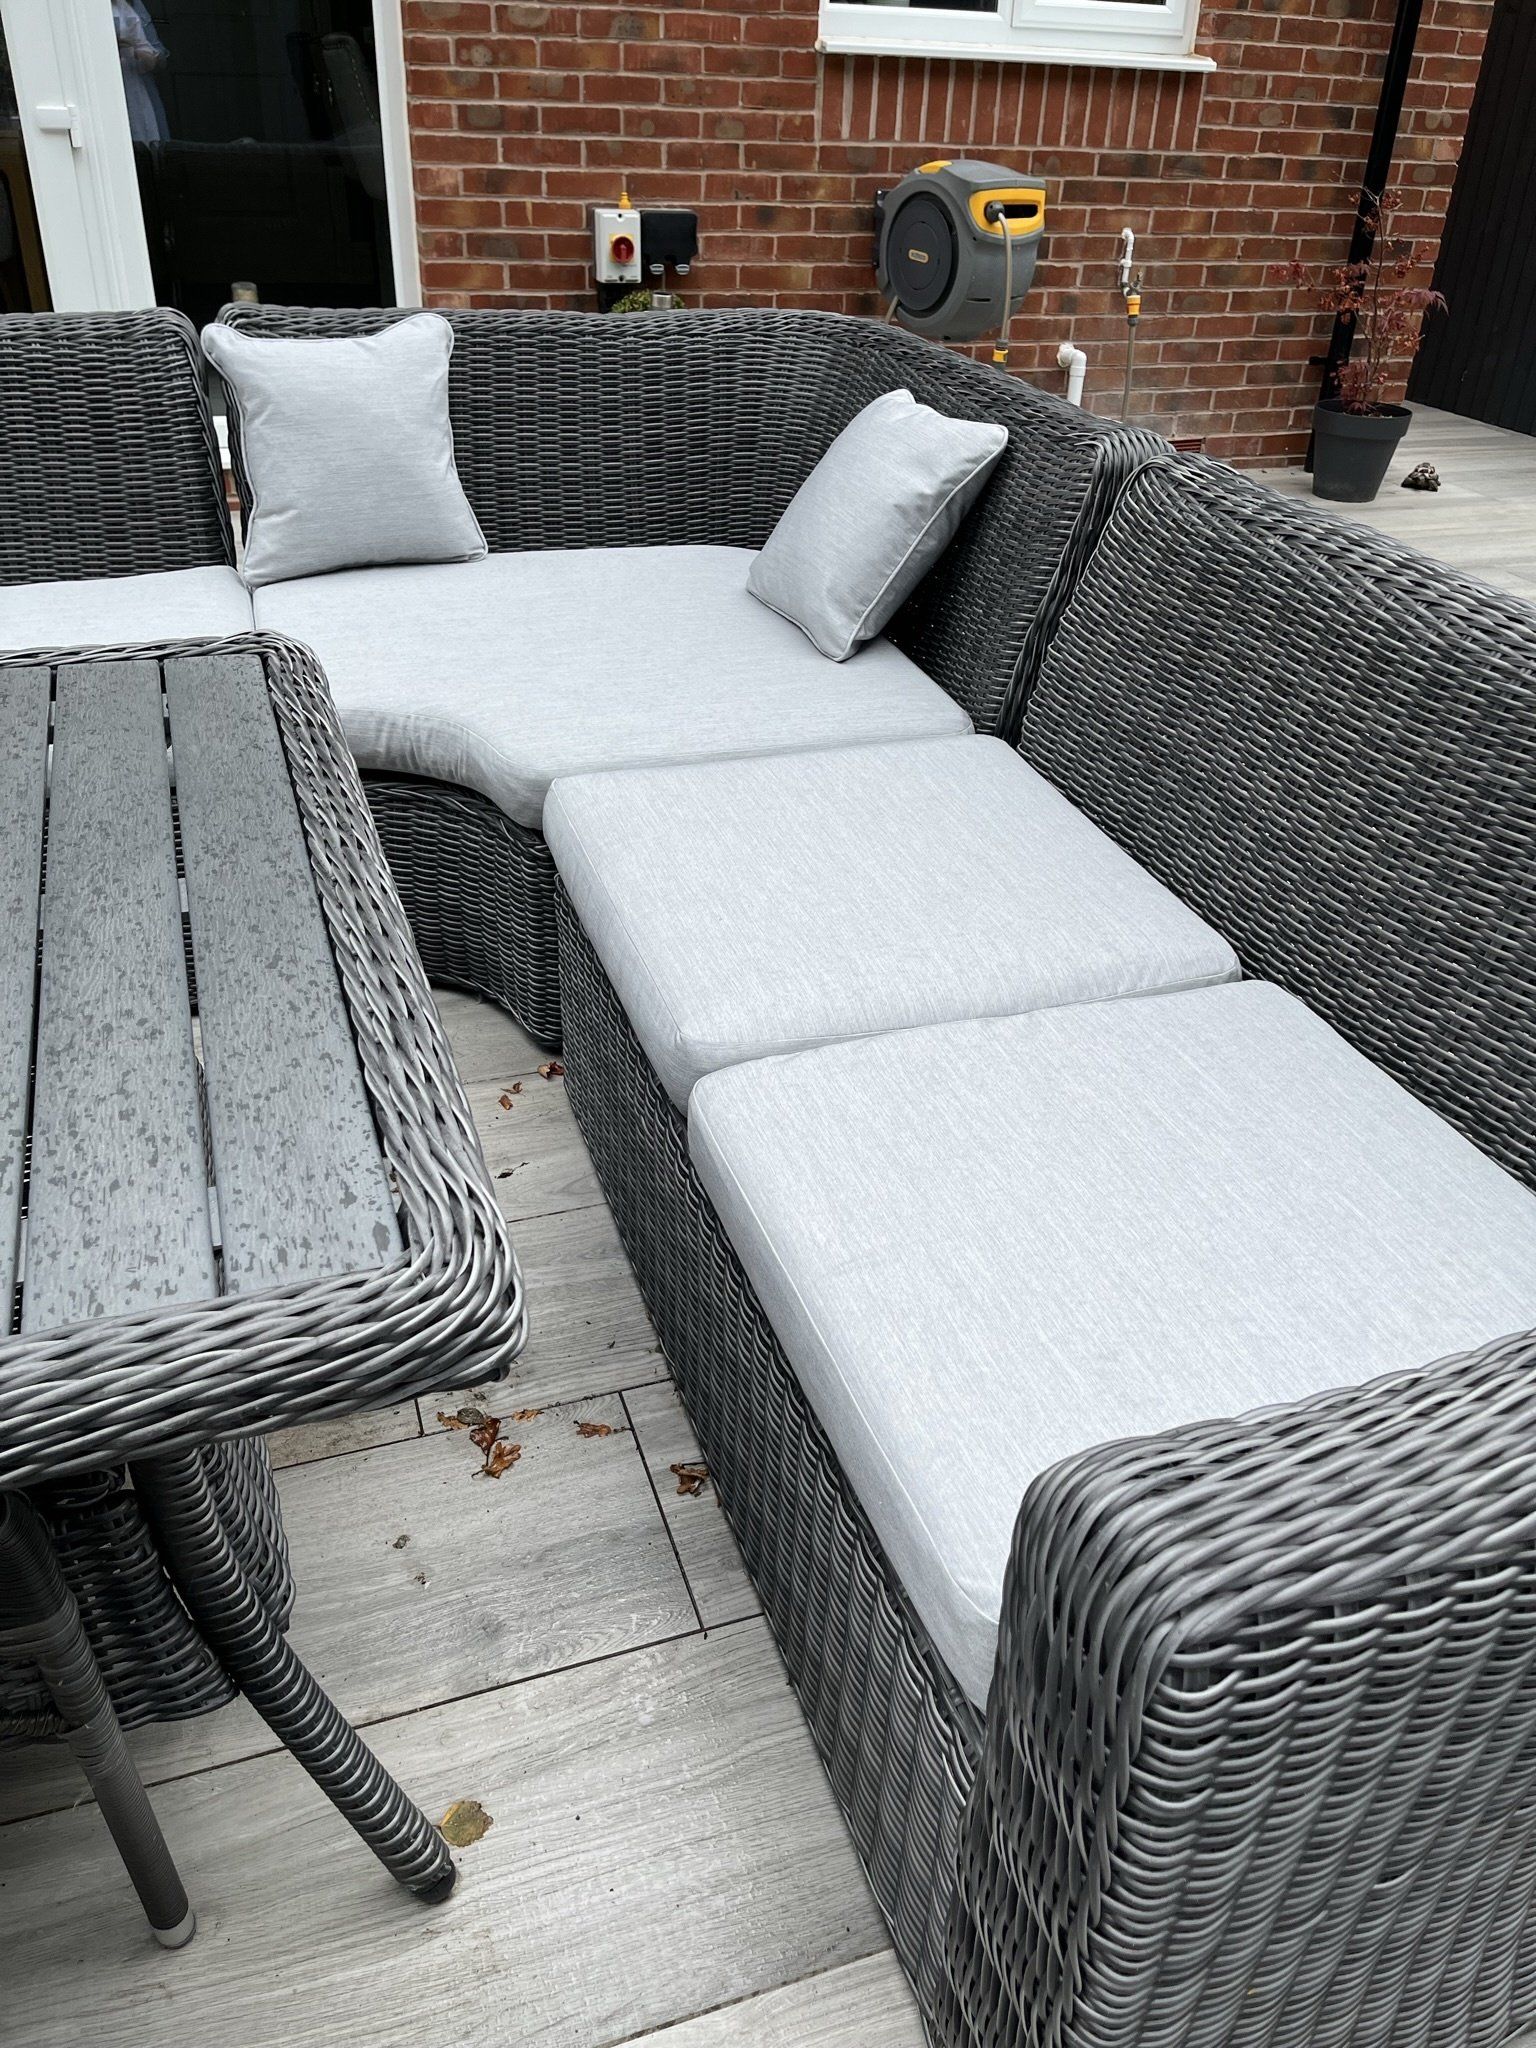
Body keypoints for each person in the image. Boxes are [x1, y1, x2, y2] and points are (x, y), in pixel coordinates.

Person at [113, 0, 168, 145]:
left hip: (136, 82)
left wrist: (144, 53)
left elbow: (157, 55)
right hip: (109, 82)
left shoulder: (133, 5)